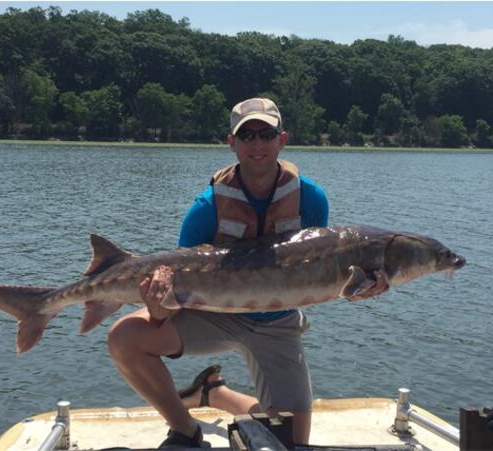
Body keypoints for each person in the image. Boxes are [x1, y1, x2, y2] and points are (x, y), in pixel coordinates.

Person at [108, 97, 387, 448]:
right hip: (213, 317)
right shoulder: (205, 209)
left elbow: (321, 277)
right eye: (247, 135)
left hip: (277, 323)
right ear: (232, 143)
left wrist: (360, 288)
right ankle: (185, 428)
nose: (257, 144)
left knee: (290, 440)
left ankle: (215, 393)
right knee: (124, 337)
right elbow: (170, 303)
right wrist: (158, 307)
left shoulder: (311, 199)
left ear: (282, 139)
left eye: (266, 134)